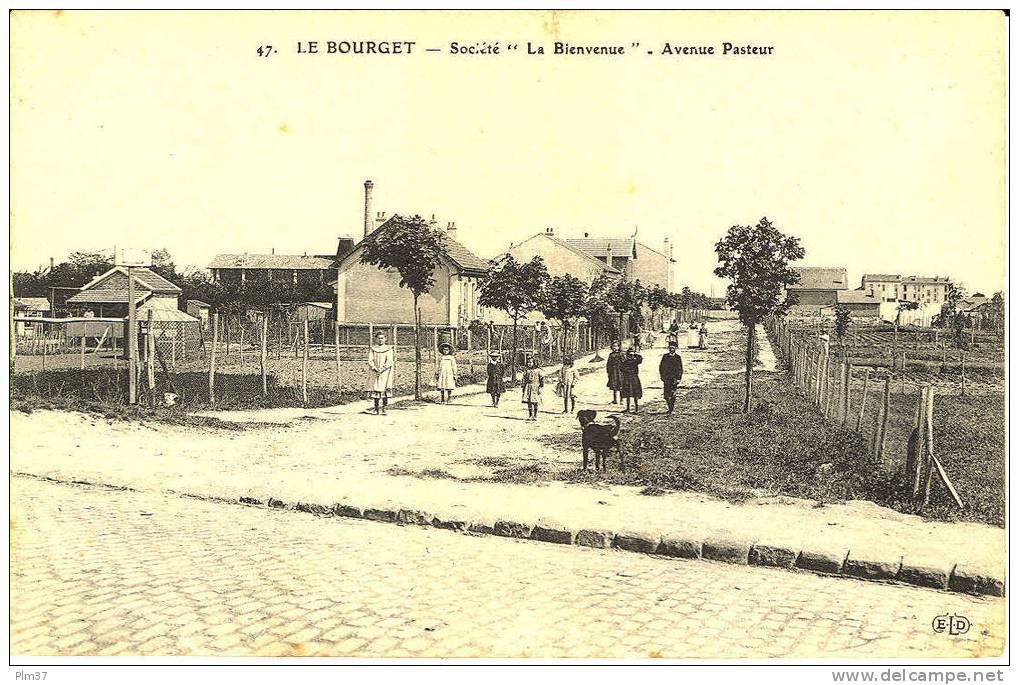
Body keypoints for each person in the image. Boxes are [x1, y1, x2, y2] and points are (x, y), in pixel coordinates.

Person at [367, 331, 395, 415]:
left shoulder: (388, 349)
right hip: (375, 371)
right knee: (376, 388)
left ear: (385, 339)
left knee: (384, 389)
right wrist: (374, 368)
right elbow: (370, 360)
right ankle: (376, 408)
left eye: (382, 338)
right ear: (376, 339)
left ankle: (384, 408)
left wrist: (382, 369)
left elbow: (389, 361)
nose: (380, 340)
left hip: (385, 372)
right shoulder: (373, 349)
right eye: (379, 338)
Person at [659, 339, 684, 414]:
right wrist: (662, 376)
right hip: (666, 378)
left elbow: (680, 368)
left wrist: (679, 378)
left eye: (673, 348)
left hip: (674, 378)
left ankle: (671, 408)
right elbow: (661, 367)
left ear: (675, 349)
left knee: (673, 394)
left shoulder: (678, 358)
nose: (671, 349)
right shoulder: (665, 356)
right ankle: (669, 406)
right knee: (666, 395)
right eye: (670, 348)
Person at [620, 347, 643, 413]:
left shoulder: (635, 361)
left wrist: (635, 354)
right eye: (629, 355)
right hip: (627, 379)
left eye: (631, 355)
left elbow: (640, 359)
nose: (630, 356)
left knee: (635, 394)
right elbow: (621, 369)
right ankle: (628, 408)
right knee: (627, 394)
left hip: (634, 379)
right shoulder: (625, 362)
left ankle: (636, 409)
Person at [521, 356, 543, 421]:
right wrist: (523, 386)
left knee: (535, 401)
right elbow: (524, 379)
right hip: (528, 386)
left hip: (535, 386)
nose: (529, 364)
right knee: (529, 401)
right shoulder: (527, 371)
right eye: (528, 362)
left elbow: (541, 379)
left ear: (534, 363)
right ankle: (530, 415)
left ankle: (535, 415)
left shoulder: (538, 371)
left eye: (530, 362)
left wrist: (540, 387)